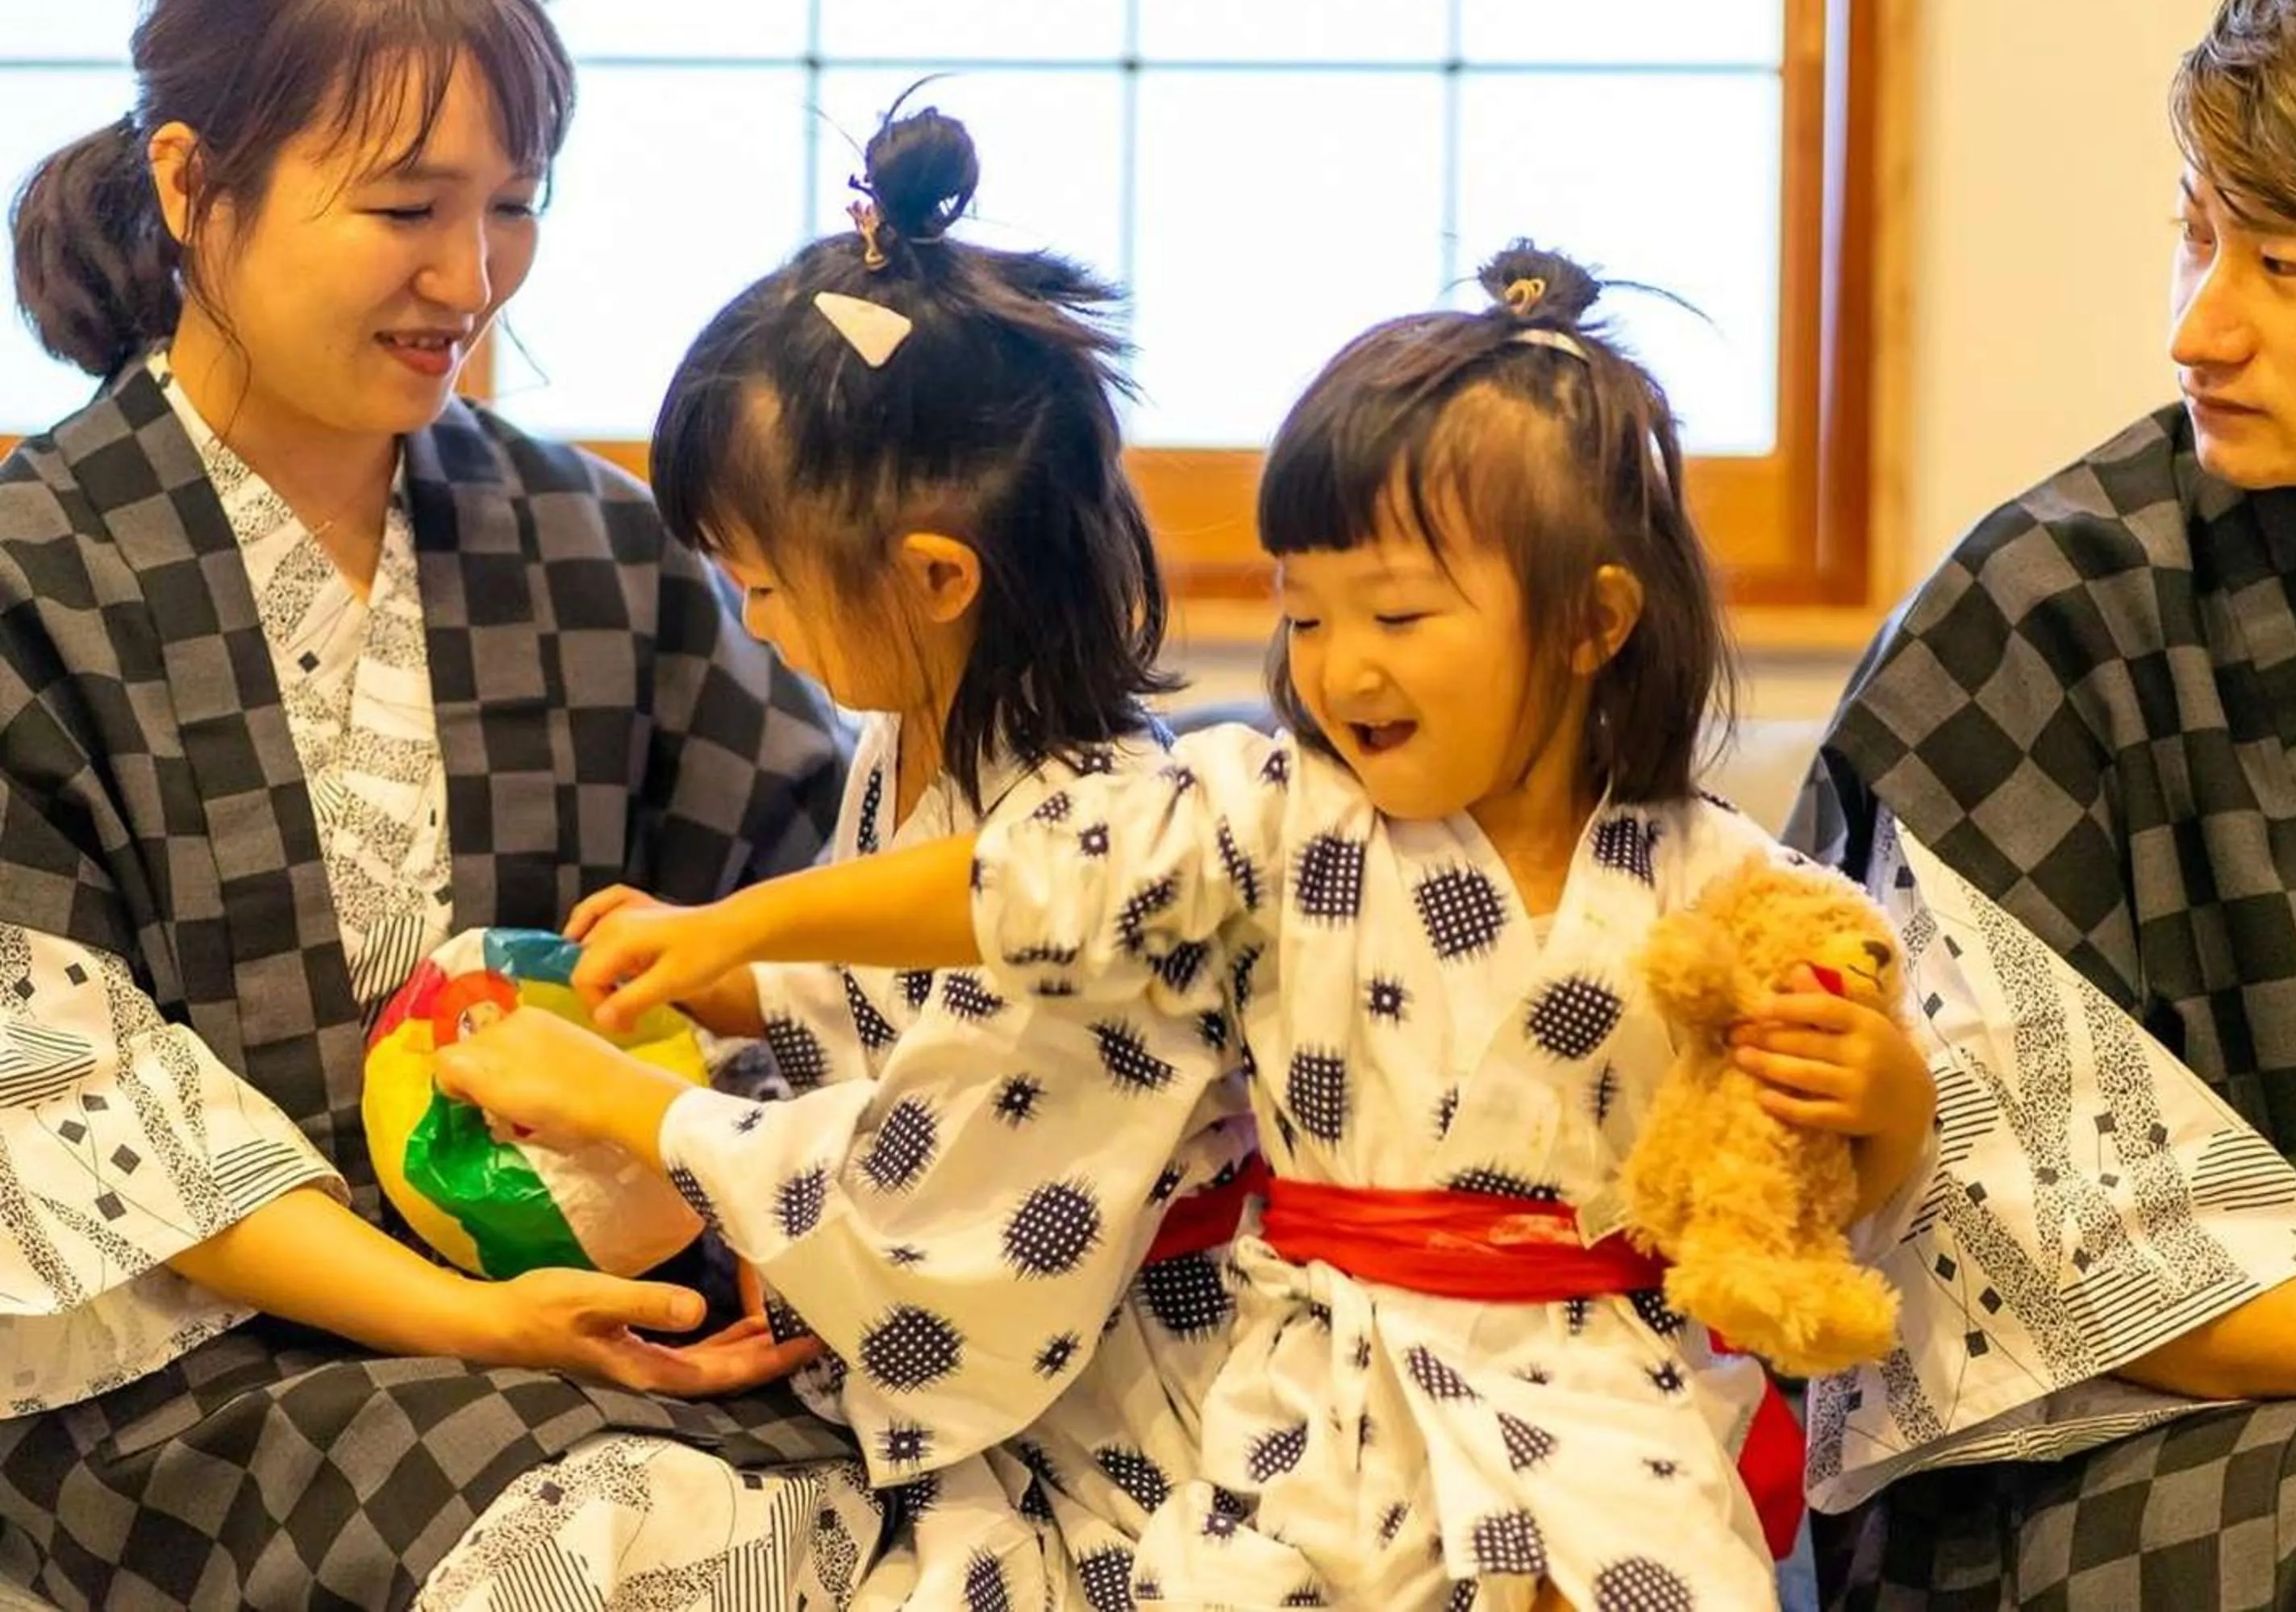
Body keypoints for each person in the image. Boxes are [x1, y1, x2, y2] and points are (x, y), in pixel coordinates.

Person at [509, 244, 1940, 1610]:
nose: (1338, 668)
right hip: (1320, 1394)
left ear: (1591, 621)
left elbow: (1828, 1170)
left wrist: (1890, 1100)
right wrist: (745, 943)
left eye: (1393, 613)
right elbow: (1015, 894)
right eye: (1305, 616)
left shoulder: (1728, 877)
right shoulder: (1263, 812)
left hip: (1602, 1392)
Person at [0, 0, 866, 1611]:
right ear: (194, 186)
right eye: (404, 207)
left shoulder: (588, 544)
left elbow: (820, 897)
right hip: (209, 1370)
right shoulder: (32, 576)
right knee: (634, 1555)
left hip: (636, 1317)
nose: (469, 279)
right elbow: (65, 1100)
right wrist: (482, 1317)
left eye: (512, 209)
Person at [427, 101, 1260, 1609]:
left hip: (1129, 1433)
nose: (755, 624)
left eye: (767, 588)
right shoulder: (914, 736)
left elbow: (927, 1220)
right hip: (965, 1377)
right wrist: (744, 980)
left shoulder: (1111, 854)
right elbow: (901, 1018)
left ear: (937, 576)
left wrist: (632, 1096)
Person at [1786, 0, 2296, 1610]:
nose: (2199, 331)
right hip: (2089, 1458)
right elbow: (2011, 1216)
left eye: (2284, 269)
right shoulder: (2046, 614)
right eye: (2196, 241)